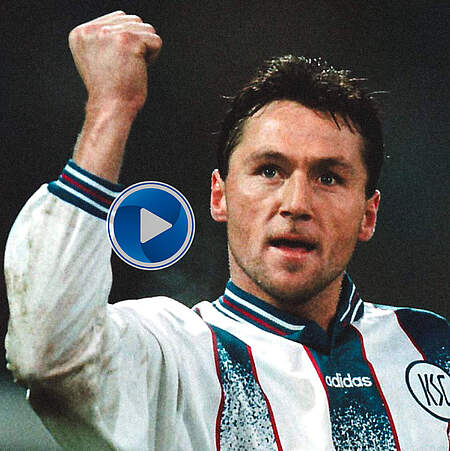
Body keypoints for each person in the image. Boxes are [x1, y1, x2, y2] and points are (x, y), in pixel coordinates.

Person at [4, 11, 448, 451]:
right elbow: (46, 351)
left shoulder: (432, 348)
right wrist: (111, 107)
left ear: (368, 214)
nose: (296, 204)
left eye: (328, 177)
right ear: (220, 197)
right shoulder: (171, 356)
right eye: (269, 170)